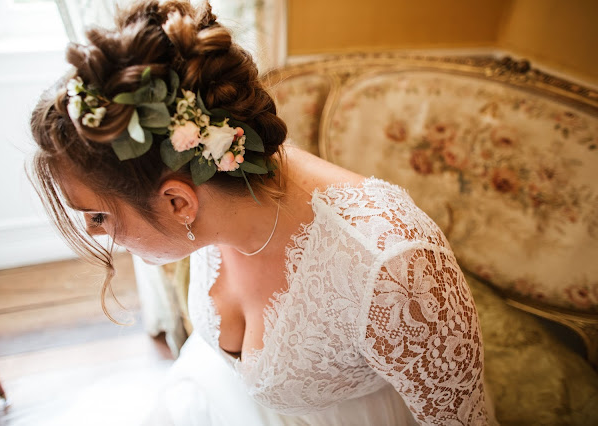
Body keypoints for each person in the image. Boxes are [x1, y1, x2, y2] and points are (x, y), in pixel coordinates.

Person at [29, 1, 497, 424]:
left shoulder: (395, 270)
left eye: (97, 217)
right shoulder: (212, 183)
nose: (99, 234)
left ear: (177, 203)